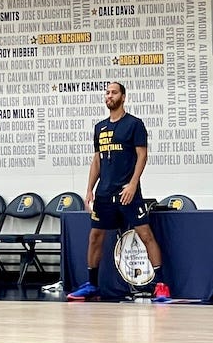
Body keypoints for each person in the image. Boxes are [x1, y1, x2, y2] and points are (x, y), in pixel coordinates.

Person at [67, 82, 168, 302]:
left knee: (145, 235)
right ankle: (92, 285)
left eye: (113, 93)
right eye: (107, 93)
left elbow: (142, 156)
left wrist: (132, 184)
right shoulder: (100, 128)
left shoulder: (134, 124)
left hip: (127, 192)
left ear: (123, 97)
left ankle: (160, 285)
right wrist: (89, 190)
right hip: (104, 194)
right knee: (95, 237)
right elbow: (97, 160)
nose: (109, 96)